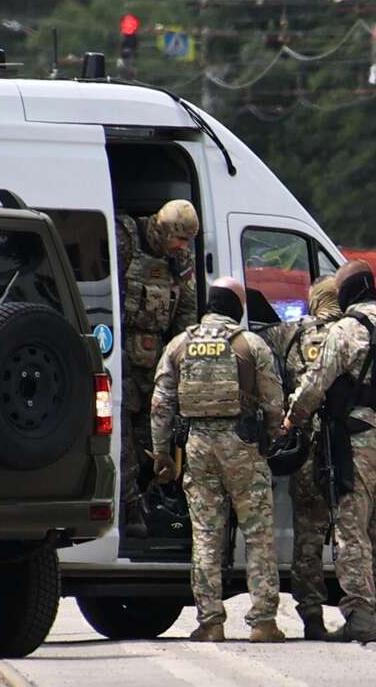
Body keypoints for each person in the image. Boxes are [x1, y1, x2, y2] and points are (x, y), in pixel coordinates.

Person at [284, 260, 376, 644]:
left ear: (347, 292)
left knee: (353, 532)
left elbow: (316, 383)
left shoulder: (347, 329)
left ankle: (361, 619)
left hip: (358, 440)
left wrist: (293, 417)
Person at [150, 278, 286, 643]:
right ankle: (263, 622)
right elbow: (274, 403)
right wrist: (272, 439)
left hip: (197, 446)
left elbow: (161, 404)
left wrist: (162, 454)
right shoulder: (251, 344)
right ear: (237, 305)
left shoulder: (180, 344)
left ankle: (210, 622)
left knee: (206, 535)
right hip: (242, 445)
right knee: (257, 534)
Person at [118, 200, 200, 537]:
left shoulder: (180, 260)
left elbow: (187, 310)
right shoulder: (127, 238)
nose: (180, 248)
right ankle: (128, 510)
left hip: (157, 358)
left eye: (185, 243)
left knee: (147, 440)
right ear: (161, 229)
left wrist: (182, 354)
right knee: (120, 440)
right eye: (177, 240)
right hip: (120, 351)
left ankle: (148, 502)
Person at [269, 275, 342, 640]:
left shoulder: (293, 333)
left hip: (307, 447)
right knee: (353, 530)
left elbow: (257, 343)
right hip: (345, 446)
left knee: (308, 536)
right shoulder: (349, 331)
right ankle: (361, 608)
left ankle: (311, 615)